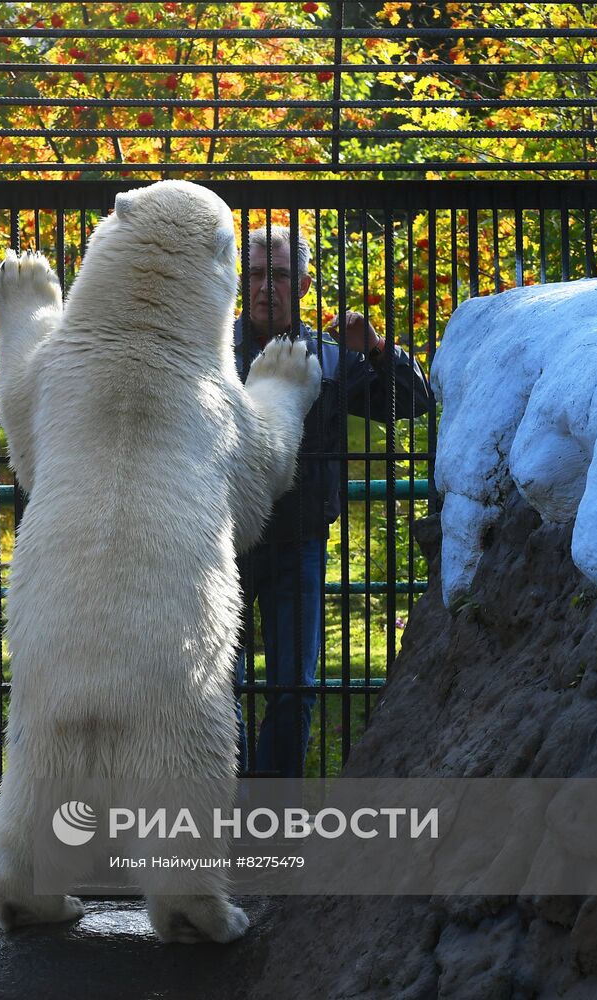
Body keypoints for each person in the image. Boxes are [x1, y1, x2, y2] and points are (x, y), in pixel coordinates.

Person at [233, 227, 434, 777]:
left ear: (301, 284)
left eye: (277, 276)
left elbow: (410, 401)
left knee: (294, 688)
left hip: (299, 542)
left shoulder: (326, 357)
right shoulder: (215, 354)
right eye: (255, 275)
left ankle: (271, 828)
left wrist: (374, 349)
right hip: (222, 545)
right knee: (216, 687)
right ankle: (230, 819)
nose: (265, 287)